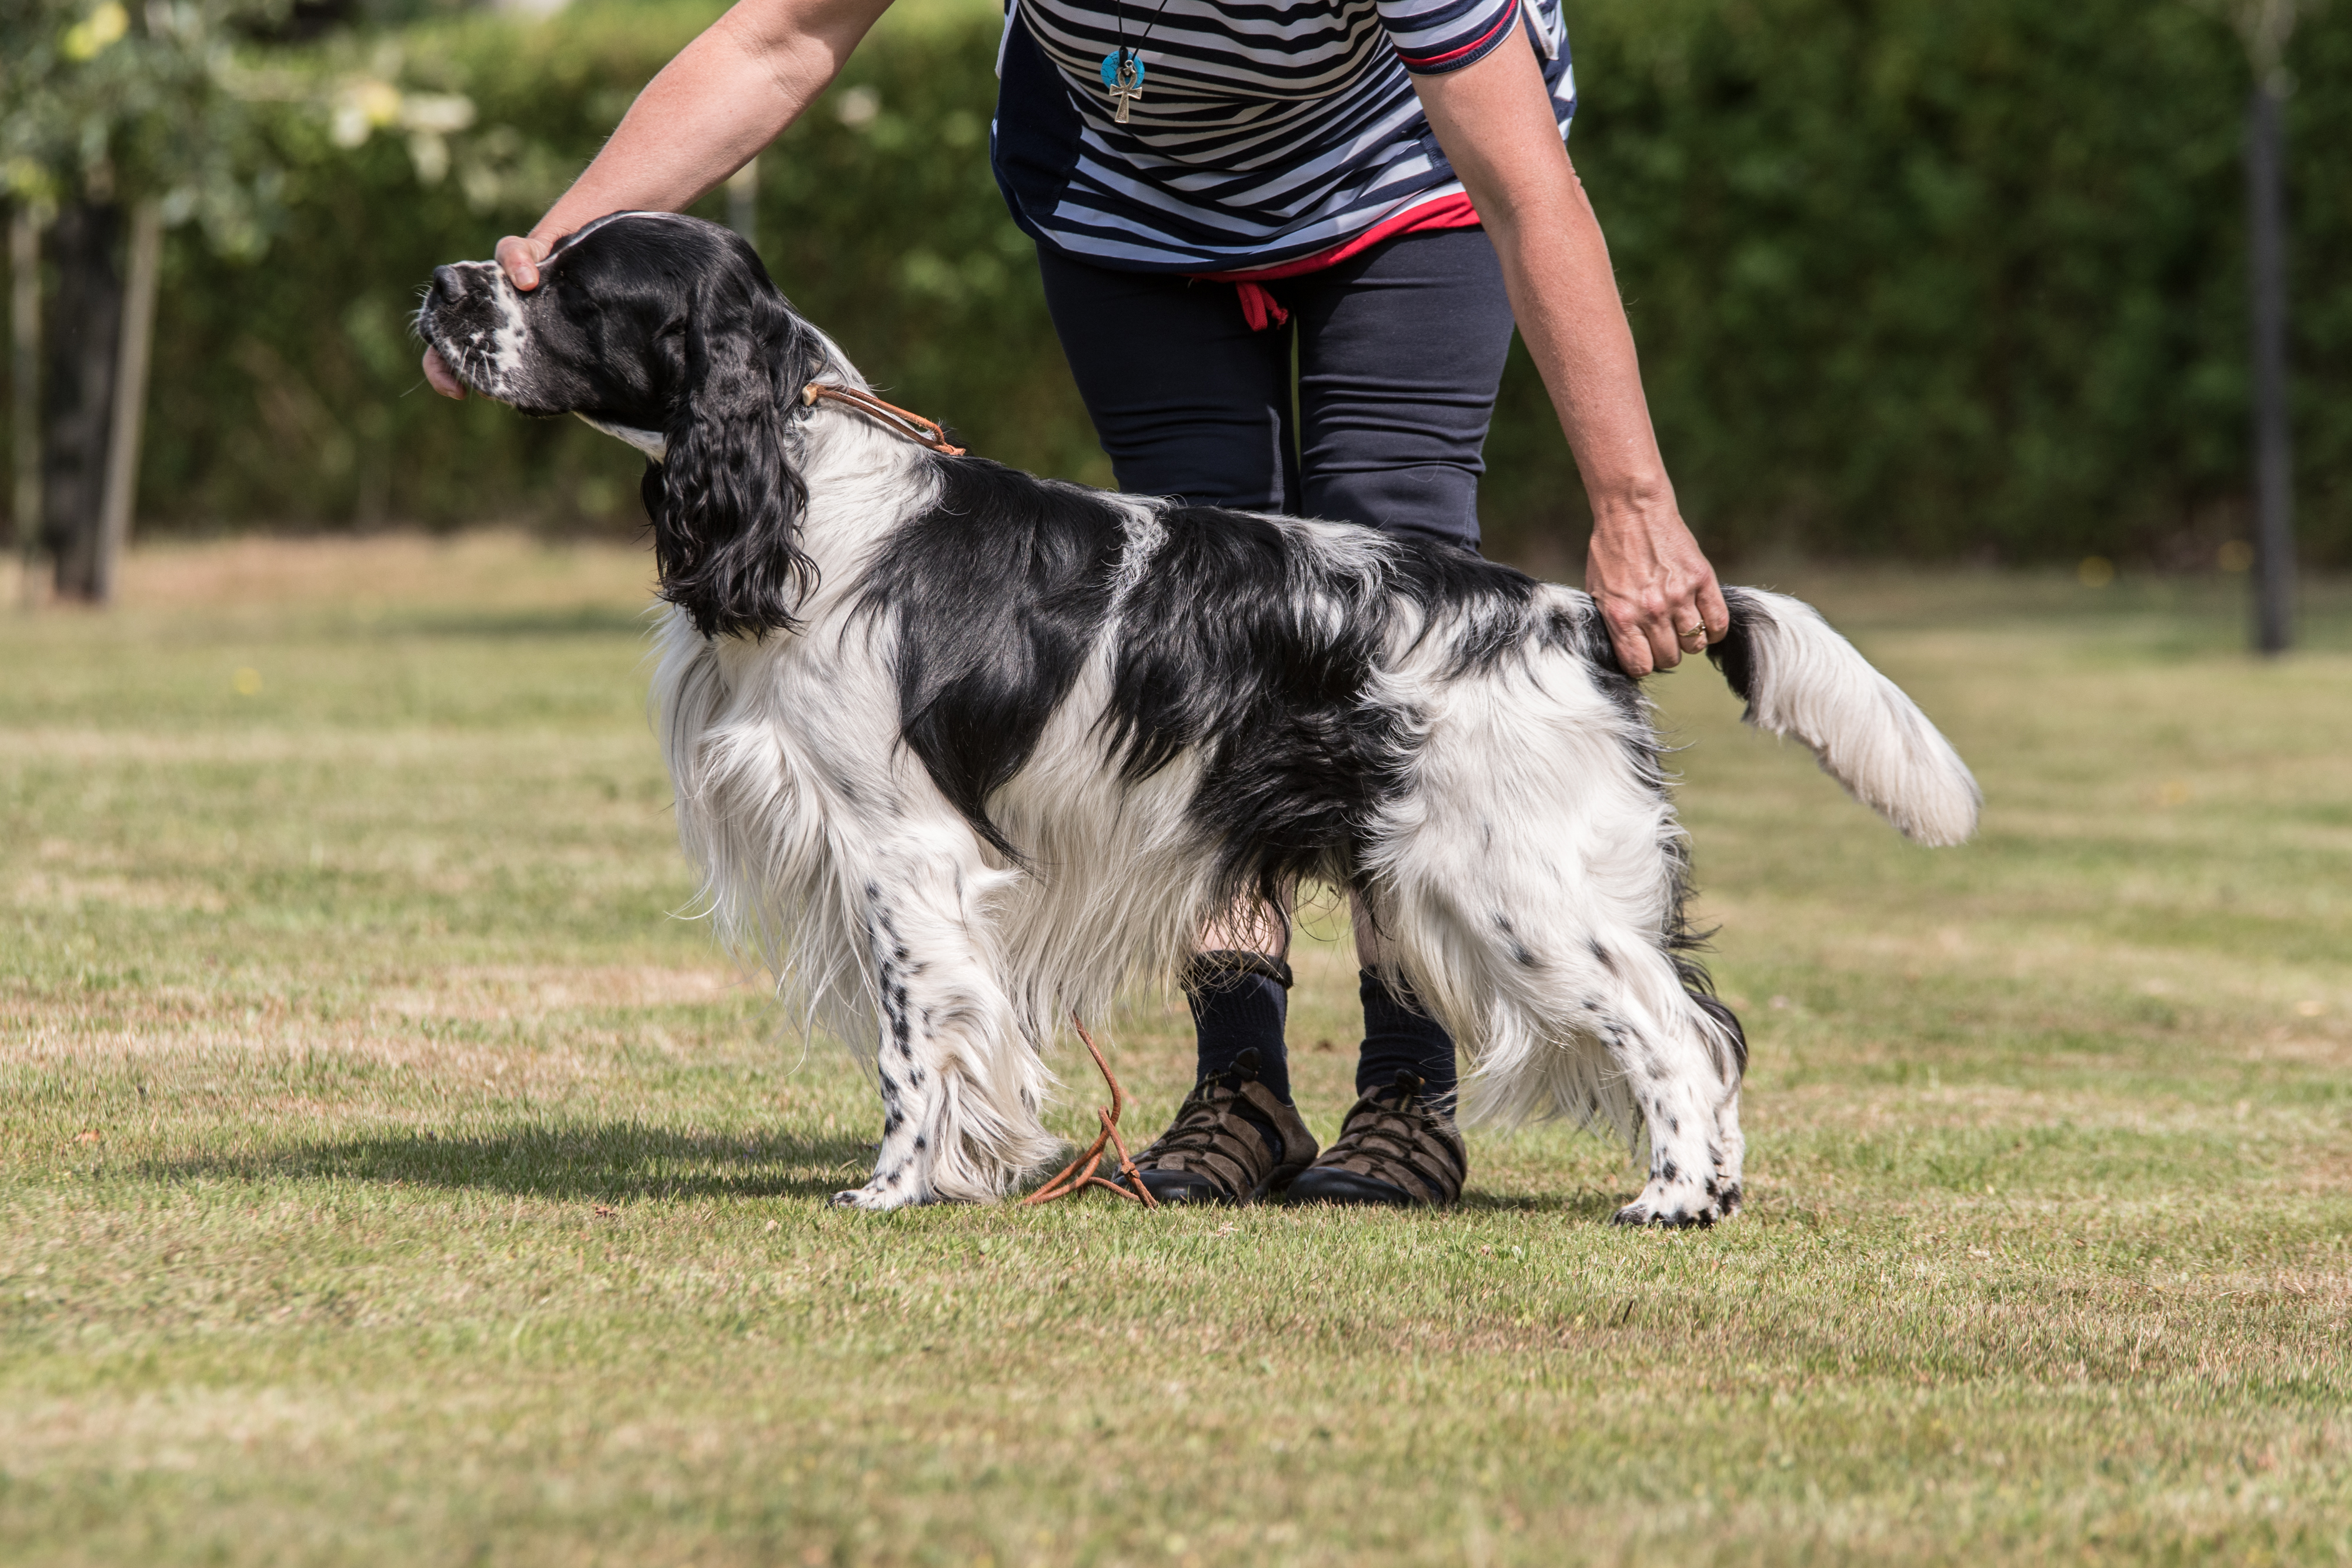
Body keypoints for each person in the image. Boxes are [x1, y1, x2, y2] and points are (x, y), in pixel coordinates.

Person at [423, 0, 1728, 1209]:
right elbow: (774, 40)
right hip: (1126, 204)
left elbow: (1523, 183)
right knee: (1181, 633)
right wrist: (554, 264)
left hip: (1403, 178)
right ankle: (1237, 1086)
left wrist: (1629, 496)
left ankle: (1404, 1092)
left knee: (1399, 580)